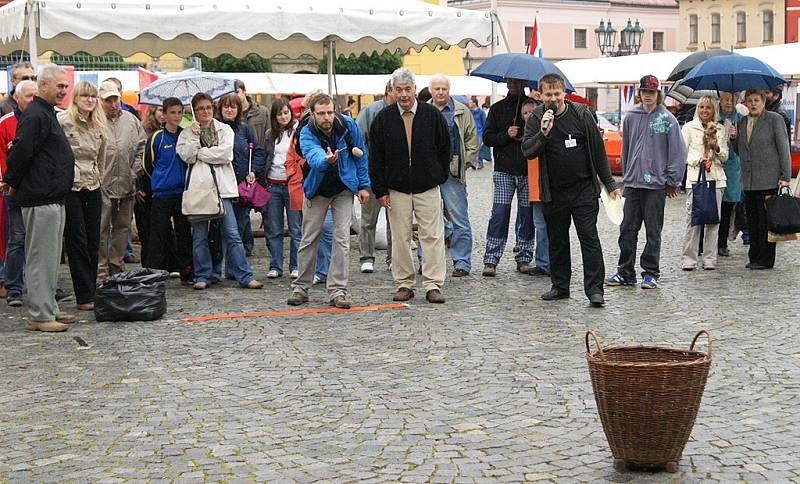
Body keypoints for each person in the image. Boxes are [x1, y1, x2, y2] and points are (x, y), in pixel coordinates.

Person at [521, 73, 620, 308]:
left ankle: (595, 291)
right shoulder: (536, 118)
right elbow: (527, 151)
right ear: (540, 95)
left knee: (589, 237)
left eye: (557, 94)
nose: (553, 98)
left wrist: (610, 184)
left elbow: (597, 151)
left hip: (583, 189)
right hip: (553, 191)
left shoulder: (582, 114)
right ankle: (560, 286)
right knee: (557, 240)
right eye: (548, 94)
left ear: (564, 93)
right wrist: (543, 134)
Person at [0, 64, 76, 332]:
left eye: (65, 86)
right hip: (40, 197)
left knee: (50, 257)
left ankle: (48, 308)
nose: (64, 91)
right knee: (40, 258)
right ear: (43, 86)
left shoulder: (44, 113)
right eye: (59, 86)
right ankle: (40, 315)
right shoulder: (35, 115)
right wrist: (11, 182)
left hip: (51, 196)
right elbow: (21, 153)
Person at [369, 67, 450, 304]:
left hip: (427, 186)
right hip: (397, 189)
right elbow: (376, 158)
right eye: (398, 90)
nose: (404, 95)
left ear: (415, 89)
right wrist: (380, 190)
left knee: (432, 236)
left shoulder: (431, 115)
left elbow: (445, 148)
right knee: (400, 237)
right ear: (392, 91)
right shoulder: (383, 120)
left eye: (407, 89)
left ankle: (433, 284)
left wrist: (439, 175)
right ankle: (404, 283)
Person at [287, 94, 370, 308]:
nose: (327, 117)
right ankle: (301, 288)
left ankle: (337, 291)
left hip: (343, 186)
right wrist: (326, 160)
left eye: (330, 112)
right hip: (317, 188)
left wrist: (363, 185)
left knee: (342, 238)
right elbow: (312, 155)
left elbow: (361, 156)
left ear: (335, 111)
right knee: (309, 237)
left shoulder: (347, 125)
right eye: (322, 113)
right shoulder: (306, 131)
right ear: (312, 114)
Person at [605, 75, 686, 289]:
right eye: (644, 92)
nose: (648, 95)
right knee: (627, 229)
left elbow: (677, 152)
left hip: (655, 185)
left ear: (658, 94)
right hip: (633, 183)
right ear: (640, 93)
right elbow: (627, 148)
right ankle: (625, 271)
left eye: (652, 92)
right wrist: (626, 172)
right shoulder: (631, 117)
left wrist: (672, 181)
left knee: (653, 231)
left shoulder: (668, 120)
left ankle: (650, 272)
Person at [176, 93, 263, 290]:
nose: (205, 111)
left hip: (223, 188)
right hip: (199, 189)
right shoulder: (187, 133)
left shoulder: (224, 129)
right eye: (200, 108)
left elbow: (225, 154)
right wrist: (194, 140)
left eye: (208, 107)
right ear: (194, 111)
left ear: (212, 109)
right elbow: (187, 156)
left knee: (232, 233)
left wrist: (201, 153)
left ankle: (244, 275)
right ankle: (203, 275)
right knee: (199, 235)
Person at [57, 81, 107, 311]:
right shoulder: (63, 121)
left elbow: (102, 157)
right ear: (76, 98)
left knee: (93, 239)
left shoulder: (98, 124)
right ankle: (83, 293)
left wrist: (100, 180)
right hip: (71, 185)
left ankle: (91, 287)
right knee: (77, 240)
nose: (89, 100)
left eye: (93, 96)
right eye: (85, 96)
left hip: (93, 183)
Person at [481, 77, 536, 277]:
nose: (515, 85)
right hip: (504, 170)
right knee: (499, 214)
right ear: (507, 84)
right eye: (512, 82)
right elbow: (487, 138)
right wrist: (506, 134)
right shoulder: (497, 109)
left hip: (528, 170)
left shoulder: (534, 107)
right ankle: (491, 259)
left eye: (519, 82)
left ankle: (524, 257)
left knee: (527, 215)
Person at [735, 88, 791, 270]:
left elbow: (784, 149)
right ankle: (754, 256)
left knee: (766, 222)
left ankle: (766, 259)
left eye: (756, 100)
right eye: (749, 101)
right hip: (749, 180)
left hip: (769, 179)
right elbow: (740, 152)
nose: (753, 104)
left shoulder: (774, 120)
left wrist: (785, 176)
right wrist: (733, 139)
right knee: (752, 221)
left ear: (763, 102)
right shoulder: (742, 122)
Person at [428, 74, 478, 277]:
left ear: (449, 90)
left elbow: (472, 139)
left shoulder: (461, 110)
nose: (441, 92)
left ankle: (462, 263)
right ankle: (427, 262)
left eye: (444, 89)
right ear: (431, 90)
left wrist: (464, 163)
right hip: (429, 173)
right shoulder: (423, 110)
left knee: (459, 219)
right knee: (428, 220)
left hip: (453, 172)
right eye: (437, 89)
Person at [97, 81, 146, 281]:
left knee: (122, 227)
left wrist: (134, 172)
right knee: (100, 228)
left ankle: (116, 263)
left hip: (127, 183)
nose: (112, 104)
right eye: (108, 100)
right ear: (101, 101)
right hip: (102, 185)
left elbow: (141, 149)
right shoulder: (96, 121)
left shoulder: (131, 120)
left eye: (115, 99)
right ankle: (100, 269)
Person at [143, 97, 193, 284]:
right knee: (158, 234)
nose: (177, 116)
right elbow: (148, 164)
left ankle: (186, 271)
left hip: (182, 193)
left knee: (184, 233)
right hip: (162, 194)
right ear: (164, 115)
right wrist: (160, 180)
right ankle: (153, 272)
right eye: (172, 112)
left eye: (180, 112)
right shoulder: (157, 137)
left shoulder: (186, 135)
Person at [215, 93, 265, 277]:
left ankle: (232, 269)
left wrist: (254, 171)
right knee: (223, 231)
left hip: (242, 188)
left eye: (233, 107)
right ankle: (218, 269)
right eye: (226, 106)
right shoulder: (215, 129)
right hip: (221, 187)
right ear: (220, 109)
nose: (229, 110)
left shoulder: (245, 130)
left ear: (238, 110)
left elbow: (258, 152)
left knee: (239, 227)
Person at [680, 96, 728, 271]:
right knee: (694, 220)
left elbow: (725, 156)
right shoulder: (688, 128)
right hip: (695, 179)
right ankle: (689, 259)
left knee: (713, 221)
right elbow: (682, 153)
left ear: (714, 110)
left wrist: (716, 148)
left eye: (708, 108)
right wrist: (697, 160)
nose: (705, 111)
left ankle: (709, 258)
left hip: (716, 179)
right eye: (701, 107)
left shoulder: (720, 128)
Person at [0, 80, 37, 308]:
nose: (33, 100)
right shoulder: (5, 123)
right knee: (17, 238)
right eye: (29, 96)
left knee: (41, 241)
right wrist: (8, 182)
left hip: (40, 189)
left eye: (36, 95)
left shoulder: (44, 118)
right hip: (15, 189)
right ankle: (14, 287)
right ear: (17, 98)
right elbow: (2, 156)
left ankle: (44, 287)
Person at [356, 80, 395, 273]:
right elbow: (357, 139)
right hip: (372, 173)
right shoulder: (371, 111)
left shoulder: (403, 113)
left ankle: (393, 258)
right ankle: (367, 256)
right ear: (389, 91)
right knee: (368, 219)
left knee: (394, 220)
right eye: (397, 90)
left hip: (395, 176)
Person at [263, 97, 302, 279]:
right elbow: (265, 157)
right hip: (273, 184)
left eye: (286, 112)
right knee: (274, 228)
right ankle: (275, 265)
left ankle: (295, 265)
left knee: (296, 228)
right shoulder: (270, 134)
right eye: (279, 114)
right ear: (274, 116)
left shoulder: (297, 131)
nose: (283, 116)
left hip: (292, 185)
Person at [235, 80, 269, 254]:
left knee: (264, 209)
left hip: (259, 168)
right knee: (243, 209)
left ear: (244, 91)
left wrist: (260, 166)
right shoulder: (231, 115)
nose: (235, 95)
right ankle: (245, 246)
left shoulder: (262, 112)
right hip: (242, 169)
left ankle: (267, 244)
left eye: (238, 91)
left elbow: (268, 136)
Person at [519, 99, 549, 276]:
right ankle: (543, 262)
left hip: (546, 184)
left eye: (531, 112)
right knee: (540, 226)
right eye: (525, 113)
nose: (529, 116)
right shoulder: (526, 134)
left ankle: (550, 263)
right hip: (534, 186)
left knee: (549, 226)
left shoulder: (545, 130)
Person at [136, 105, 168, 267]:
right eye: (160, 110)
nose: (163, 115)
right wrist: (138, 186)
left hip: (164, 185)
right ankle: (149, 263)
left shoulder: (170, 133)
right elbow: (140, 162)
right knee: (147, 226)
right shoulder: (145, 132)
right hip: (146, 183)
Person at [718, 91, 744, 257]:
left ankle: (722, 243)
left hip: (733, 165)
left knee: (728, 205)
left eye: (732, 99)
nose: (728, 102)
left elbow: (745, 141)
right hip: (716, 164)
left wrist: (736, 135)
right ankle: (704, 242)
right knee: (712, 205)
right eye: (726, 99)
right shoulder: (715, 116)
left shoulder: (740, 117)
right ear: (720, 101)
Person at [468, 96, 489, 169]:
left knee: (477, 149)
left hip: (480, 133)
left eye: (470, 102)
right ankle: (479, 163)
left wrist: (485, 133)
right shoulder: (469, 112)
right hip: (471, 133)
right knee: (476, 149)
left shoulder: (481, 112)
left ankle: (475, 163)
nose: (469, 103)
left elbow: (484, 123)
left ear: (475, 103)